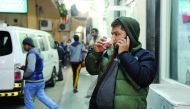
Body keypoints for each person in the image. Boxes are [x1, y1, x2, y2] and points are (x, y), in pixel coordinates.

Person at [85, 17, 156, 109]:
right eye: (112, 34)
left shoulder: (145, 56)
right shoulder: (110, 53)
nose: (113, 38)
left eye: (117, 34)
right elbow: (92, 70)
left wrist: (124, 54)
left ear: (130, 35)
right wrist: (96, 53)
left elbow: (144, 79)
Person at [20, 37, 60, 109]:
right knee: (42, 97)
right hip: (40, 81)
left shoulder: (31, 54)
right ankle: (56, 108)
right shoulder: (38, 52)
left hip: (32, 82)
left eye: (24, 45)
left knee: (28, 100)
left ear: (28, 45)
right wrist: (25, 67)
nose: (23, 47)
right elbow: (37, 66)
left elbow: (31, 69)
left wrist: (25, 76)